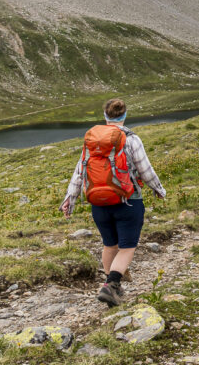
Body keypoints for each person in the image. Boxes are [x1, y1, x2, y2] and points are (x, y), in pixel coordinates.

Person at [60, 98, 166, 306]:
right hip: (128, 201)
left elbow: (80, 171)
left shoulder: (92, 140)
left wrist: (69, 200)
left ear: (106, 116)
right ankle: (112, 285)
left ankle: (110, 285)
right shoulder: (132, 139)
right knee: (127, 247)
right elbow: (145, 169)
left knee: (110, 245)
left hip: (99, 203)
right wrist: (158, 189)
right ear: (125, 115)